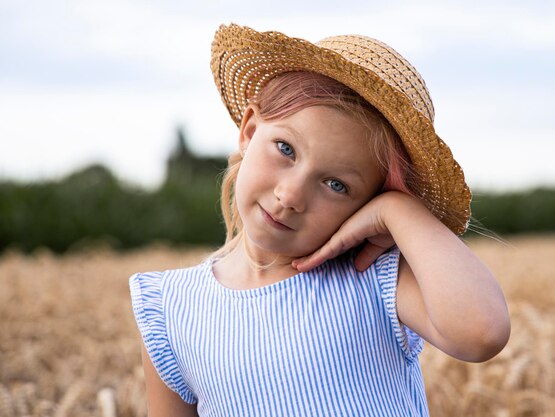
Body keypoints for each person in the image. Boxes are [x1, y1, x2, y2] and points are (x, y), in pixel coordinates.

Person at [129, 23, 511, 417]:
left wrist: (397, 211)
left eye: (336, 184)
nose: (291, 195)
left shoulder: (375, 278)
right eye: (285, 149)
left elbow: (482, 333)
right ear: (249, 129)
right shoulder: (169, 309)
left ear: (369, 204)